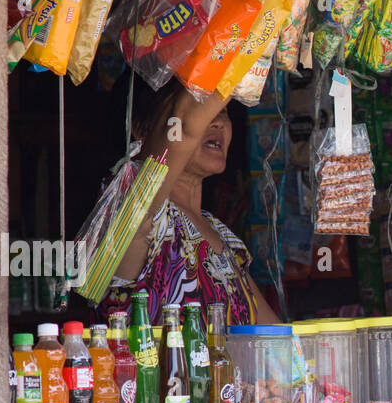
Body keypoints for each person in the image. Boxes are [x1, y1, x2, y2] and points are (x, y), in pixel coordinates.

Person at [96, 78, 279, 326]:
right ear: (140, 128)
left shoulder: (222, 235)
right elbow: (183, 125)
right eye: (204, 107)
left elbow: (273, 337)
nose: (216, 121)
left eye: (222, 111)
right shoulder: (128, 206)